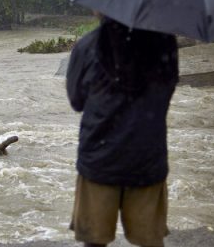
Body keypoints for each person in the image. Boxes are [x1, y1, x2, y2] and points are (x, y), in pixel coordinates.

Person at [67, 15, 179, 247]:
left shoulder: (89, 45)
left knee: (94, 241)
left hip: (99, 159)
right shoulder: (164, 43)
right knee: (150, 241)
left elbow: (77, 101)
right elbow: (167, 92)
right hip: (147, 159)